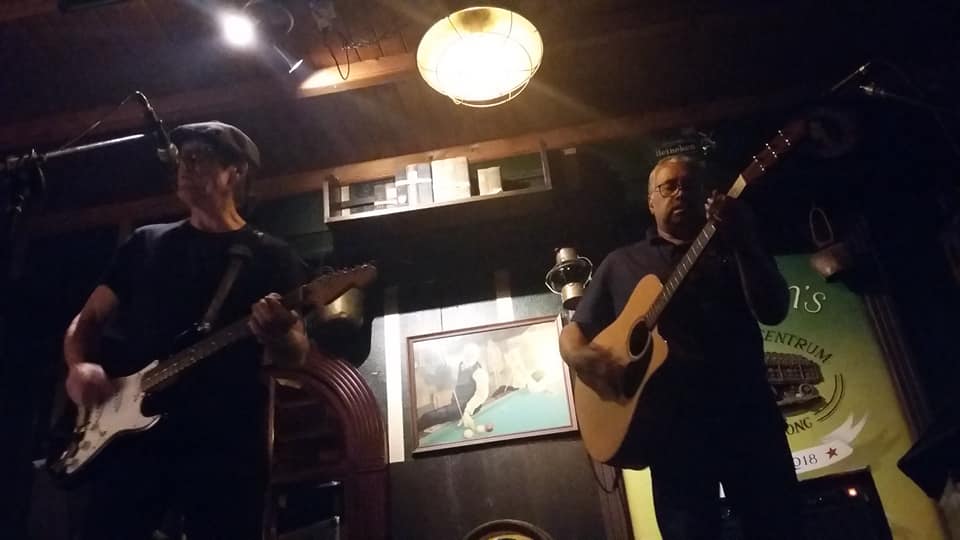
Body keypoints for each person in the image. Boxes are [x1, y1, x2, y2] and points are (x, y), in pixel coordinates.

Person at [62, 121, 310, 539]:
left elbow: (296, 353)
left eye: (200, 157)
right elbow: (87, 320)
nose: (185, 166)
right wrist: (78, 367)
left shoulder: (271, 256)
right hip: (129, 439)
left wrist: (279, 333)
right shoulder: (146, 243)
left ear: (235, 172)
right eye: (183, 158)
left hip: (223, 441)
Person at [559, 155, 801, 540]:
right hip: (670, 435)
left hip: (748, 419)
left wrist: (745, 242)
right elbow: (576, 330)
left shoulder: (731, 245)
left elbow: (773, 310)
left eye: (689, 186)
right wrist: (578, 356)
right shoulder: (621, 263)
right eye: (668, 186)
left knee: (778, 529)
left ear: (706, 195)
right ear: (650, 201)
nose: (680, 193)